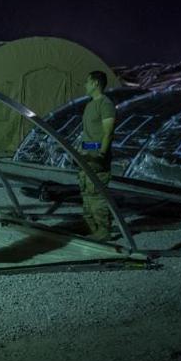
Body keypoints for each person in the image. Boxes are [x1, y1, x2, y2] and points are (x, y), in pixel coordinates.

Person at [77, 70, 116, 241]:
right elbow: (89, 133)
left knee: (97, 193)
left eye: (87, 81)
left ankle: (103, 230)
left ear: (95, 83)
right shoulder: (90, 104)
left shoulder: (105, 104)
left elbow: (107, 133)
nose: (84, 85)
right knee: (86, 191)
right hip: (86, 156)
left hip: (96, 158)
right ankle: (92, 227)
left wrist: (100, 154)